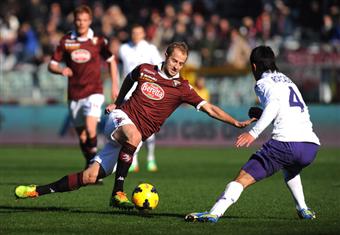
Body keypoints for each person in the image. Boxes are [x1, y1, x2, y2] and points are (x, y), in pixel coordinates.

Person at [14, 42, 254, 210]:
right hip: (120, 120)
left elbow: (209, 108)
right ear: (166, 56)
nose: (176, 66)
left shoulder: (182, 87)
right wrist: (116, 104)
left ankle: (37, 190)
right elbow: (129, 79)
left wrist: (235, 122)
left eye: (181, 63)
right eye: (174, 60)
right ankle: (118, 192)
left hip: (131, 140)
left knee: (89, 176)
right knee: (134, 134)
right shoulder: (145, 70)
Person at [185, 45, 320, 223]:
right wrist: (262, 115)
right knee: (291, 169)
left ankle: (214, 213)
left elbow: (274, 106)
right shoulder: (288, 81)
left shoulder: (263, 83)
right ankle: (304, 209)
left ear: (254, 67)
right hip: (310, 146)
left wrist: (253, 133)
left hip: (286, 144)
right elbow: (290, 110)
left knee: (242, 178)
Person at [48, 5, 119, 168]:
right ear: (74, 21)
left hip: (94, 91)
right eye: (78, 20)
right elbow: (51, 65)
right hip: (74, 93)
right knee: (82, 137)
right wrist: (61, 70)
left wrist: (115, 85)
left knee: (91, 128)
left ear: (90, 21)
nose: (81, 23)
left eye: (85, 20)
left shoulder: (98, 41)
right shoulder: (66, 41)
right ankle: (89, 162)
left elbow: (111, 61)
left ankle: (95, 167)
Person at [119, 24, 163, 172]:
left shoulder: (150, 49)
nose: (136, 35)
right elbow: (121, 70)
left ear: (143, 34)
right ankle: (134, 160)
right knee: (131, 129)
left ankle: (150, 157)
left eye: (139, 32)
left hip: (146, 94)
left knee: (147, 129)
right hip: (128, 94)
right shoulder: (123, 49)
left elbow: (159, 68)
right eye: (133, 32)